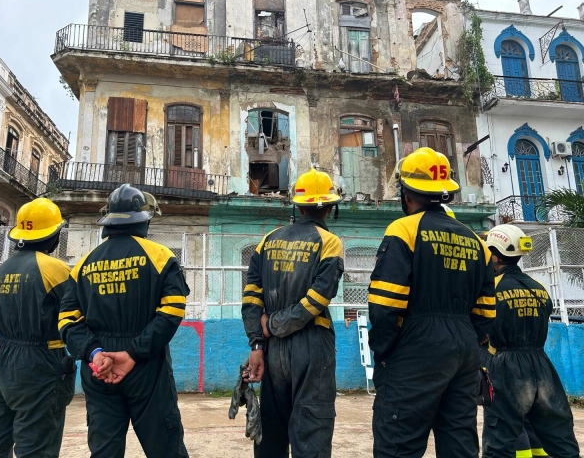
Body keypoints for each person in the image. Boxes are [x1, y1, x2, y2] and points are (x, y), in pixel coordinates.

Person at [367, 147, 495, 458]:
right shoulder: (478, 242)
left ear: (405, 191)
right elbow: (486, 311)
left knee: (399, 444)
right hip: (464, 350)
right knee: (460, 443)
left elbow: (386, 304)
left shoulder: (403, 230)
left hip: (415, 348)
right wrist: (465, 340)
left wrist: (384, 350)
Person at [59, 184, 189, 458]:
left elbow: (68, 319)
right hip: (146, 365)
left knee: (104, 450)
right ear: (145, 219)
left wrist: (95, 354)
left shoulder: (83, 264)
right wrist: (132, 352)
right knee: (165, 447)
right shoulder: (161, 257)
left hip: (100, 368)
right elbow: (172, 311)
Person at [241, 168, 344, 458]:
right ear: (329, 208)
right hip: (312, 345)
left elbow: (251, 298)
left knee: (272, 430)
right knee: (311, 430)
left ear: (298, 206)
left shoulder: (267, 240)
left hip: (271, 349)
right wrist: (275, 326)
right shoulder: (330, 242)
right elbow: (317, 300)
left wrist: (258, 344)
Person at [0, 198, 75, 458]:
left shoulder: (4, 268)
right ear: (55, 234)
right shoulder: (56, 269)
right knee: (36, 447)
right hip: (36, 365)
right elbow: (80, 313)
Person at [482, 224, 580, 458]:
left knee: (500, 437)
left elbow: (481, 326)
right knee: (558, 434)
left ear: (494, 255)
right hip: (542, 364)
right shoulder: (539, 288)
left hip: (506, 365)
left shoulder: (491, 289)